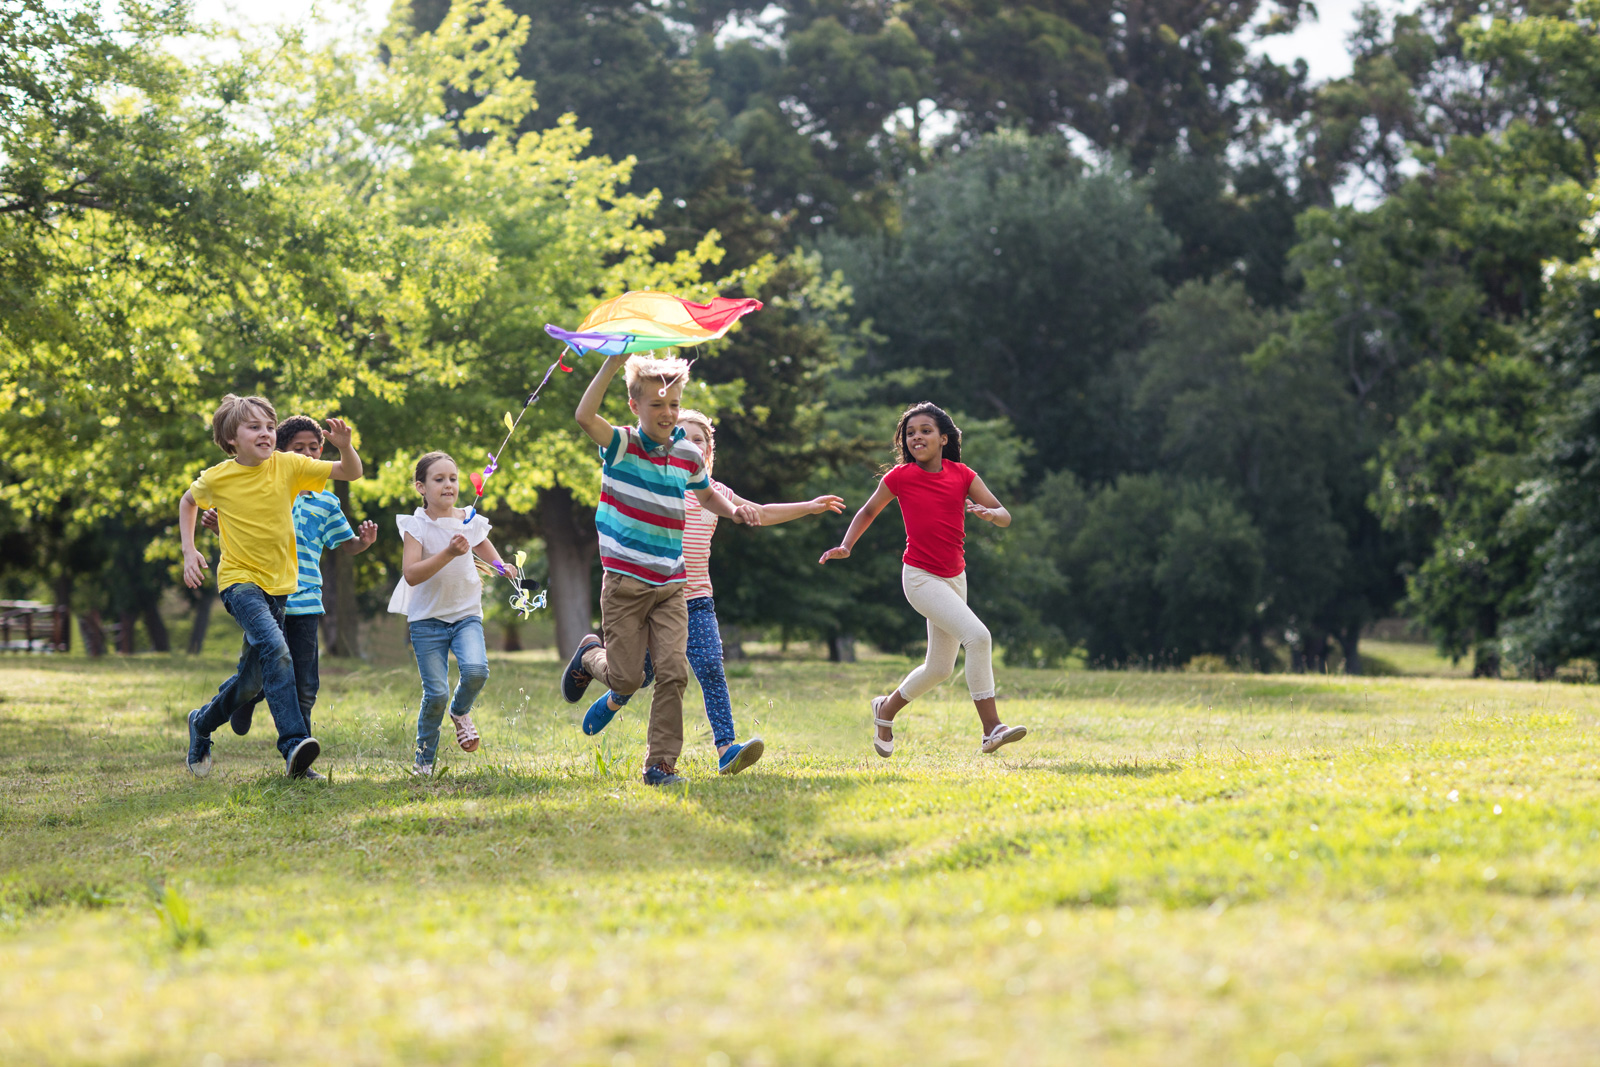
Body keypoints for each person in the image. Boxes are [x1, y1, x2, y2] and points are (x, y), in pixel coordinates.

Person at [582, 408, 843, 775]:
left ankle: (725, 749)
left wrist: (808, 507)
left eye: (699, 439)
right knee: (636, 675)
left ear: (708, 451)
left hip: (696, 600)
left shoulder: (715, 493)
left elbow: (761, 512)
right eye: (682, 437)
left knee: (709, 669)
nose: (690, 443)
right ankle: (601, 676)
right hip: (649, 596)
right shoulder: (658, 481)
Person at [562, 353, 760, 786]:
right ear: (635, 406)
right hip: (625, 584)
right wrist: (612, 365)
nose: (668, 413)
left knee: (674, 672)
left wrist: (735, 512)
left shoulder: (688, 454)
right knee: (628, 678)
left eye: (674, 404)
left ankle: (660, 765)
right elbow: (583, 415)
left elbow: (707, 497)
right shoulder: (620, 444)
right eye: (657, 405)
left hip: (672, 585)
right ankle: (591, 656)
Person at [819, 402, 1026, 757]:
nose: (917, 437)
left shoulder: (963, 475)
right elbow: (868, 510)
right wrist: (846, 545)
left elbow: (1005, 514)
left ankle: (885, 710)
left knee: (939, 668)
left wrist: (991, 515)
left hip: (954, 578)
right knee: (978, 637)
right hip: (919, 577)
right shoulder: (899, 477)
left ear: (944, 438)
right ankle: (992, 729)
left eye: (925, 431)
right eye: (910, 433)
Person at [180, 395, 364, 779]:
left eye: (268, 426)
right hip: (239, 583)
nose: (265, 433)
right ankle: (294, 744)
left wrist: (345, 447)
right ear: (231, 439)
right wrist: (189, 549)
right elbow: (188, 501)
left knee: (252, 681)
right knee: (278, 652)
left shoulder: (289, 465)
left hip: (280, 587)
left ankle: (202, 722)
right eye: (254, 427)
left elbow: (349, 473)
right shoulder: (219, 476)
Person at [388, 451, 510, 777]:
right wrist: (448, 552)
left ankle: (460, 711)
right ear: (421, 487)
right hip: (426, 620)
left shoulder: (468, 517)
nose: (448, 485)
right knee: (436, 692)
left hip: (465, 612)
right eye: (438, 479)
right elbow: (412, 574)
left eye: (453, 479)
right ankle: (424, 760)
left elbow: (481, 542)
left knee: (476, 671)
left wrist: (500, 567)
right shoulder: (417, 525)